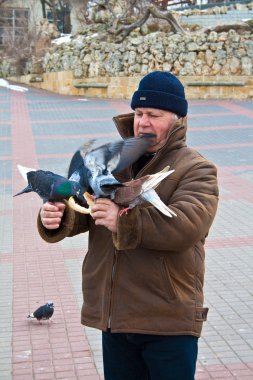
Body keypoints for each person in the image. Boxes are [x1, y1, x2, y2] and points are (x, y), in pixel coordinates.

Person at [38, 71, 219, 380]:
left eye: (154, 114)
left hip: (167, 321)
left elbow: (187, 225)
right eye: (138, 113)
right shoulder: (111, 161)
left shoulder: (197, 169)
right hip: (116, 319)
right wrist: (58, 216)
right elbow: (85, 207)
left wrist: (125, 223)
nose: (142, 122)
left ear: (177, 119)